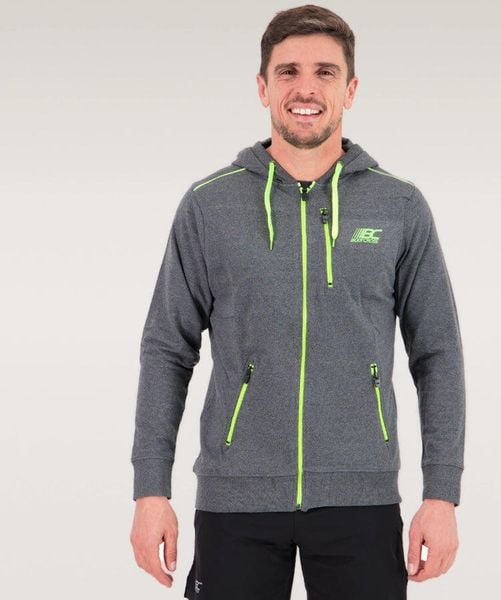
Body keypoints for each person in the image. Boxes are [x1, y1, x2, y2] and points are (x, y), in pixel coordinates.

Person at [129, 4, 466, 599]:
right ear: (263, 87)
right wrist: (150, 489)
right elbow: (166, 350)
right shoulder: (209, 206)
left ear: (350, 89)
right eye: (287, 72)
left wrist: (441, 493)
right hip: (236, 500)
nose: (305, 88)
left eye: (324, 72)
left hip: (361, 498)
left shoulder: (399, 206)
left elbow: (437, 354)